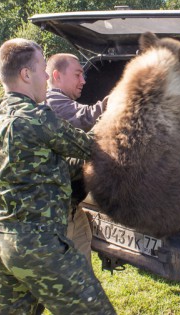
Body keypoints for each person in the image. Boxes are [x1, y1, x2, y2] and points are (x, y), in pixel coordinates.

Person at [0, 38, 116, 315]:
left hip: (0, 238)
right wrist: (115, 108)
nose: (46, 76)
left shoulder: (0, 114)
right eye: (43, 68)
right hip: (37, 245)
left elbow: (43, 168)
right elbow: (93, 147)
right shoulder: (37, 117)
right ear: (25, 74)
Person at [45, 53, 108, 267]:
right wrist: (119, 99)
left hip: (73, 206)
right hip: (59, 209)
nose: (84, 80)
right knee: (66, 275)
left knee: (82, 254)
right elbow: (86, 117)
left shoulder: (60, 101)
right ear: (57, 76)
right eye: (78, 74)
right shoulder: (52, 101)